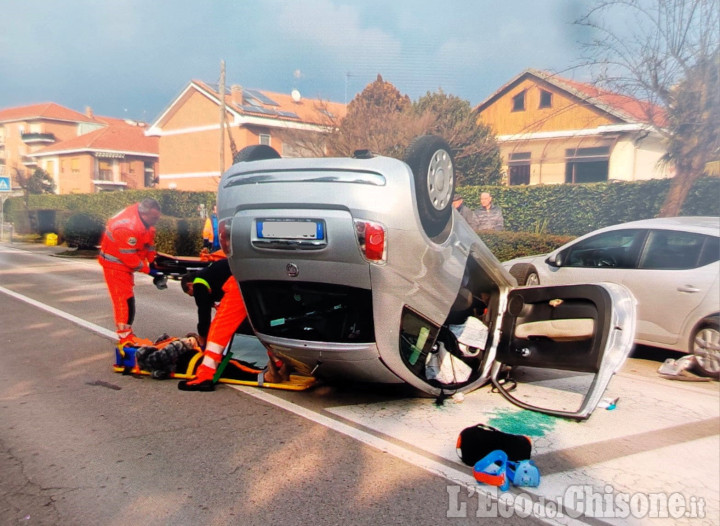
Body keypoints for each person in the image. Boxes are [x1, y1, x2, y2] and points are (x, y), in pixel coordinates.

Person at [179, 262, 289, 391]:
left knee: (220, 327)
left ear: (189, 285)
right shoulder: (211, 273)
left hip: (241, 278)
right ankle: (280, 362)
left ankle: (205, 375)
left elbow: (203, 315)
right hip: (265, 273)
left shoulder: (199, 283)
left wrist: (203, 338)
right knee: (262, 325)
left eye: (190, 293)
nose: (193, 296)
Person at [99, 198, 164, 344]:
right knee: (123, 301)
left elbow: (148, 244)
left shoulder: (144, 221)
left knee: (128, 299)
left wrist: (153, 262)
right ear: (145, 214)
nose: (156, 221)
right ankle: (124, 338)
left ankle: (127, 333)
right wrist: (150, 271)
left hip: (123, 265)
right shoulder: (126, 228)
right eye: (154, 218)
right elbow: (130, 259)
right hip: (114, 266)